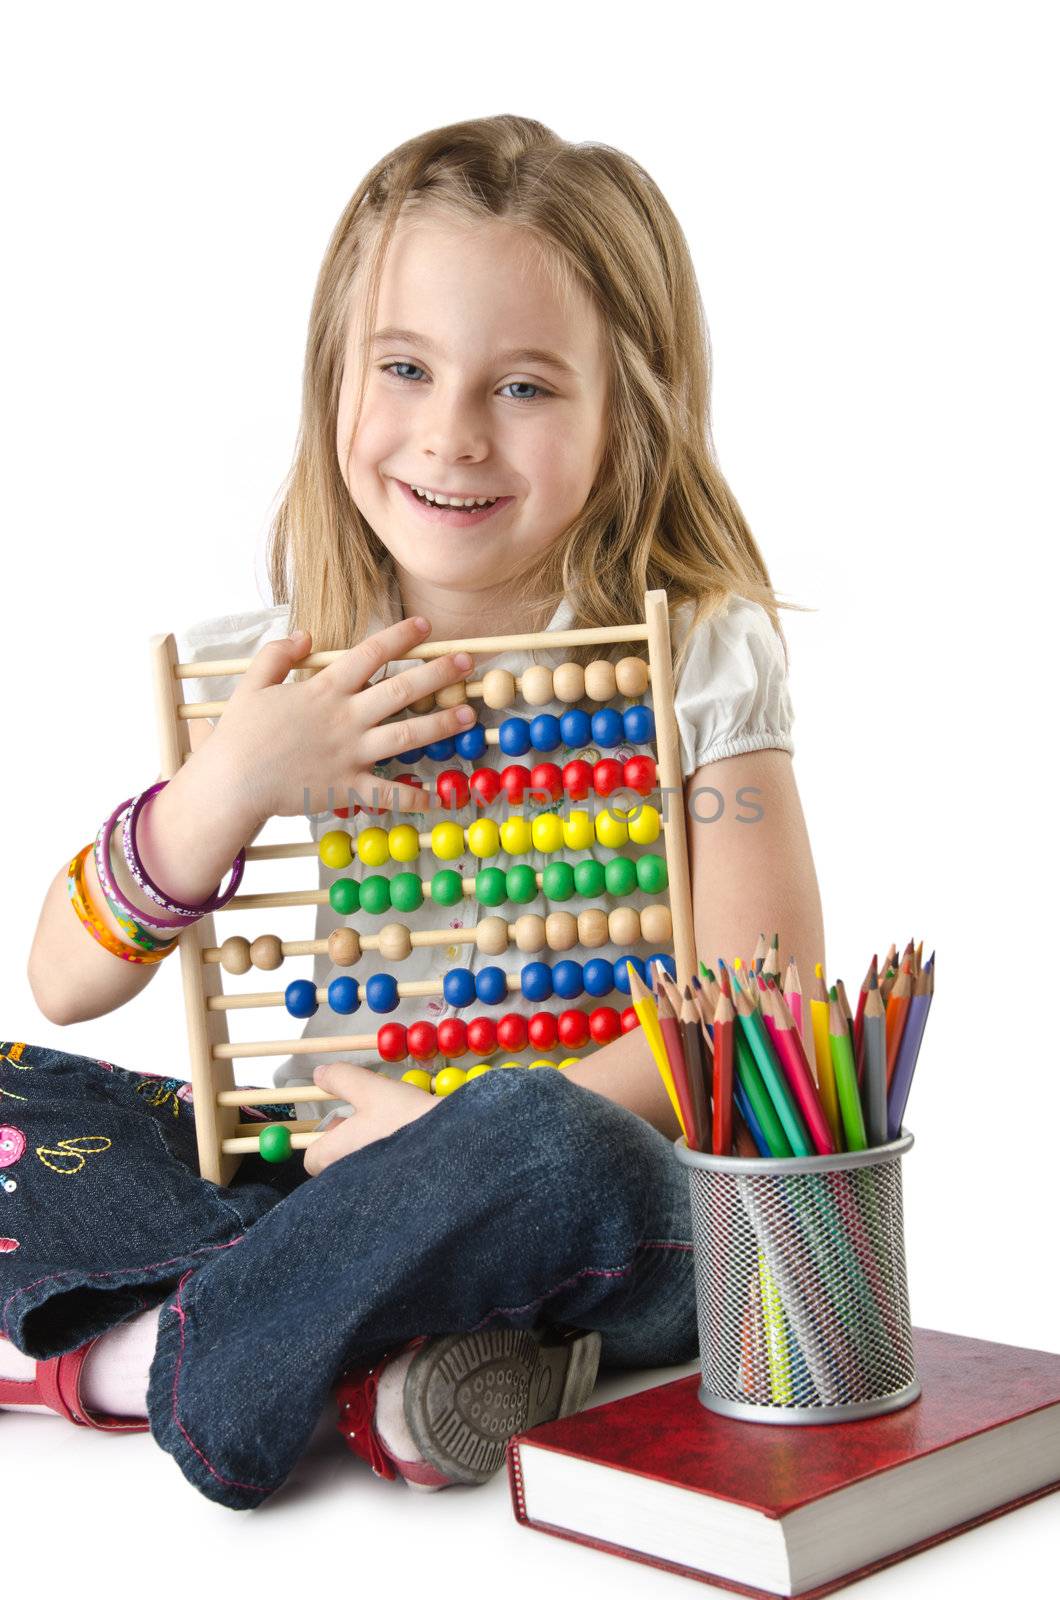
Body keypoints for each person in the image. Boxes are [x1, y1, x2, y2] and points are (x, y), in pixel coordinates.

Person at [3, 114, 824, 1510]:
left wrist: (454, 1140)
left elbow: (765, 1001)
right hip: (318, 1177)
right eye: (405, 367)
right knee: (28, 1094)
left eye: (523, 387)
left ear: (632, 408)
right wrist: (232, 783)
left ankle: (154, 1354)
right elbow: (66, 981)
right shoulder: (277, 670)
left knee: (550, 1152)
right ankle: (387, 1369)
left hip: (577, 1180)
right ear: (335, 377)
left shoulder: (698, 660)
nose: (450, 434)